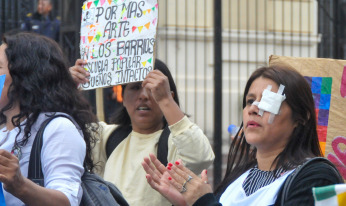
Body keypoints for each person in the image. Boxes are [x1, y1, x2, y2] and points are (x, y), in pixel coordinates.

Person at [142, 65, 344, 206]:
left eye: (268, 102)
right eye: (249, 101)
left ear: (301, 117)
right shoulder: (239, 178)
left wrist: (204, 202)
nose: (253, 109)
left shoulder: (316, 177)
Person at [70, 58, 215, 206]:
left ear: (169, 96)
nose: (144, 96)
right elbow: (61, 137)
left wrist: (165, 101)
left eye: (153, 89)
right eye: (135, 87)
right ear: (123, 97)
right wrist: (68, 87)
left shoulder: (176, 141)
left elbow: (201, 157)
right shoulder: (106, 137)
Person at [0, 32, 98, 205]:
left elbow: (67, 201)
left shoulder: (58, 128)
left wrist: (21, 185)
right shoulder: (3, 133)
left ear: (22, 76)